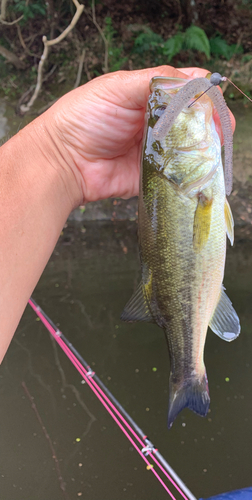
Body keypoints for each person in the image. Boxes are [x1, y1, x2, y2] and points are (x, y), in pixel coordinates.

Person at [0, 65, 235, 363]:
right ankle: (189, 370)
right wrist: (61, 153)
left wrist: (63, 155)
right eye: (164, 114)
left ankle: (188, 369)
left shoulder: (193, 185)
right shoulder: (196, 186)